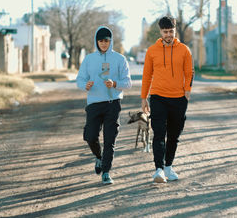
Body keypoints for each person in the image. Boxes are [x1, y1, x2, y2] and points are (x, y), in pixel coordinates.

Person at [141, 16, 193, 183]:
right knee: (158, 133)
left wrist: (187, 91)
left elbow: (189, 72)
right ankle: (159, 170)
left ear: (175, 30)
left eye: (171, 31)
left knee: (173, 135)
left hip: (178, 99)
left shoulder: (184, 50)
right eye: (165, 32)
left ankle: (168, 167)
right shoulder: (152, 51)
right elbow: (147, 76)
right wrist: (144, 97)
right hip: (158, 97)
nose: (169, 35)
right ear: (160, 32)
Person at [77, 26, 132, 185]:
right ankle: (99, 158)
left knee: (110, 139)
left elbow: (128, 82)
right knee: (90, 136)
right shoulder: (89, 59)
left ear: (111, 41)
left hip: (112, 104)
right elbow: (80, 79)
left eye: (106, 40)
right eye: (100, 40)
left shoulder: (119, 59)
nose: (103, 43)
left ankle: (106, 172)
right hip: (94, 103)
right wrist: (84, 85)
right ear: (96, 41)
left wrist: (115, 83)